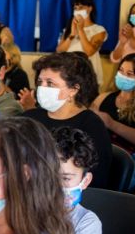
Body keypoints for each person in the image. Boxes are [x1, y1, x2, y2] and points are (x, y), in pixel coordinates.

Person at [21, 52, 111, 189]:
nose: (42, 88)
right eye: (40, 82)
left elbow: (96, 179)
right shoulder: (29, 117)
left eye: (50, 83)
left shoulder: (91, 125)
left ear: (73, 90)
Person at [93, 53, 135, 189]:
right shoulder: (103, 97)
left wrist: (112, 124)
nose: (123, 76)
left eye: (129, 74)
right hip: (104, 154)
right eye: (121, 71)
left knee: (110, 177)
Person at [51, 127, 102, 234]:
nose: (55, 185)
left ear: (85, 181)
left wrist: (50, 218)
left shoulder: (86, 221)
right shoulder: (24, 207)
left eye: (66, 178)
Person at [56, 0, 107, 87]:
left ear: (90, 8)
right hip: (68, 74)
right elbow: (59, 50)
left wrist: (80, 30)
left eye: (81, 7)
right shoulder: (68, 29)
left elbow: (89, 52)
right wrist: (72, 35)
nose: (77, 10)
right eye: (75, 8)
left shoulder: (99, 30)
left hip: (88, 75)